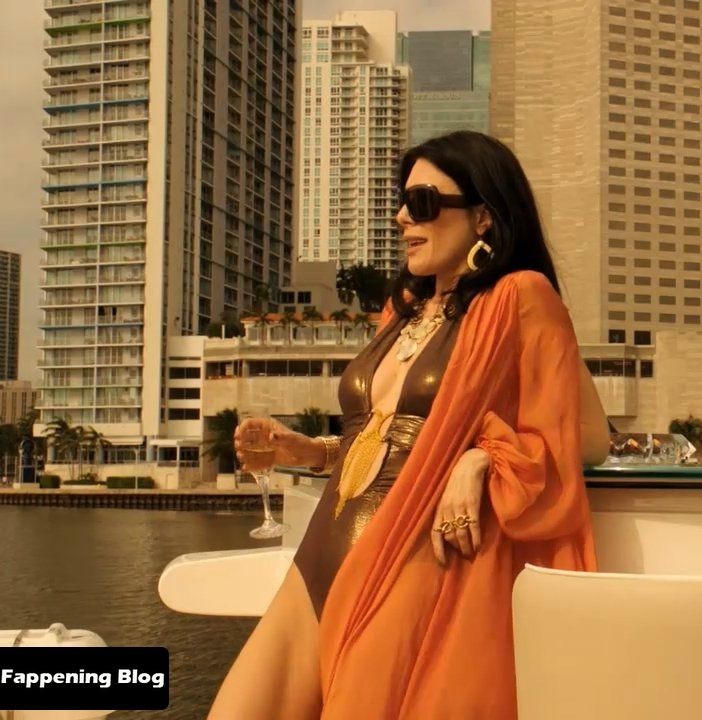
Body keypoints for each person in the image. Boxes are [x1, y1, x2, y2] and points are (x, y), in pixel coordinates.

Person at [210, 131, 610, 719]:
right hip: (323, 549)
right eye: (401, 202)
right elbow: (385, 432)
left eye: (421, 203)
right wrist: (309, 450)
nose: (402, 218)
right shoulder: (402, 309)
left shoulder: (521, 297)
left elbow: (590, 439)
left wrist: (481, 458)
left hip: (407, 559)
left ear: (482, 216)